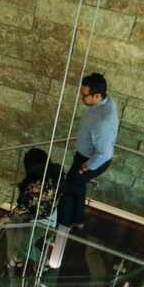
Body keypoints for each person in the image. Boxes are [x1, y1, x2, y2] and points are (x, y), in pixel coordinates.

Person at [59, 72, 119, 229]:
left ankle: (64, 226)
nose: (81, 98)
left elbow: (105, 154)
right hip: (84, 156)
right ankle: (78, 220)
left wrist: (87, 166)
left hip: (90, 161)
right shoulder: (105, 103)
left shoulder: (103, 123)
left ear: (97, 96)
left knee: (69, 189)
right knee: (78, 186)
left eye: (85, 96)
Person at [0, 148, 63, 269]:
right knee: (14, 232)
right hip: (43, 214)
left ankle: (45, 263)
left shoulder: (37, 185)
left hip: (43, 220)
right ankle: (18, 258)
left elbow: (25, 207)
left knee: (22, 243)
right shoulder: (56, 170)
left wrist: (4, 219)